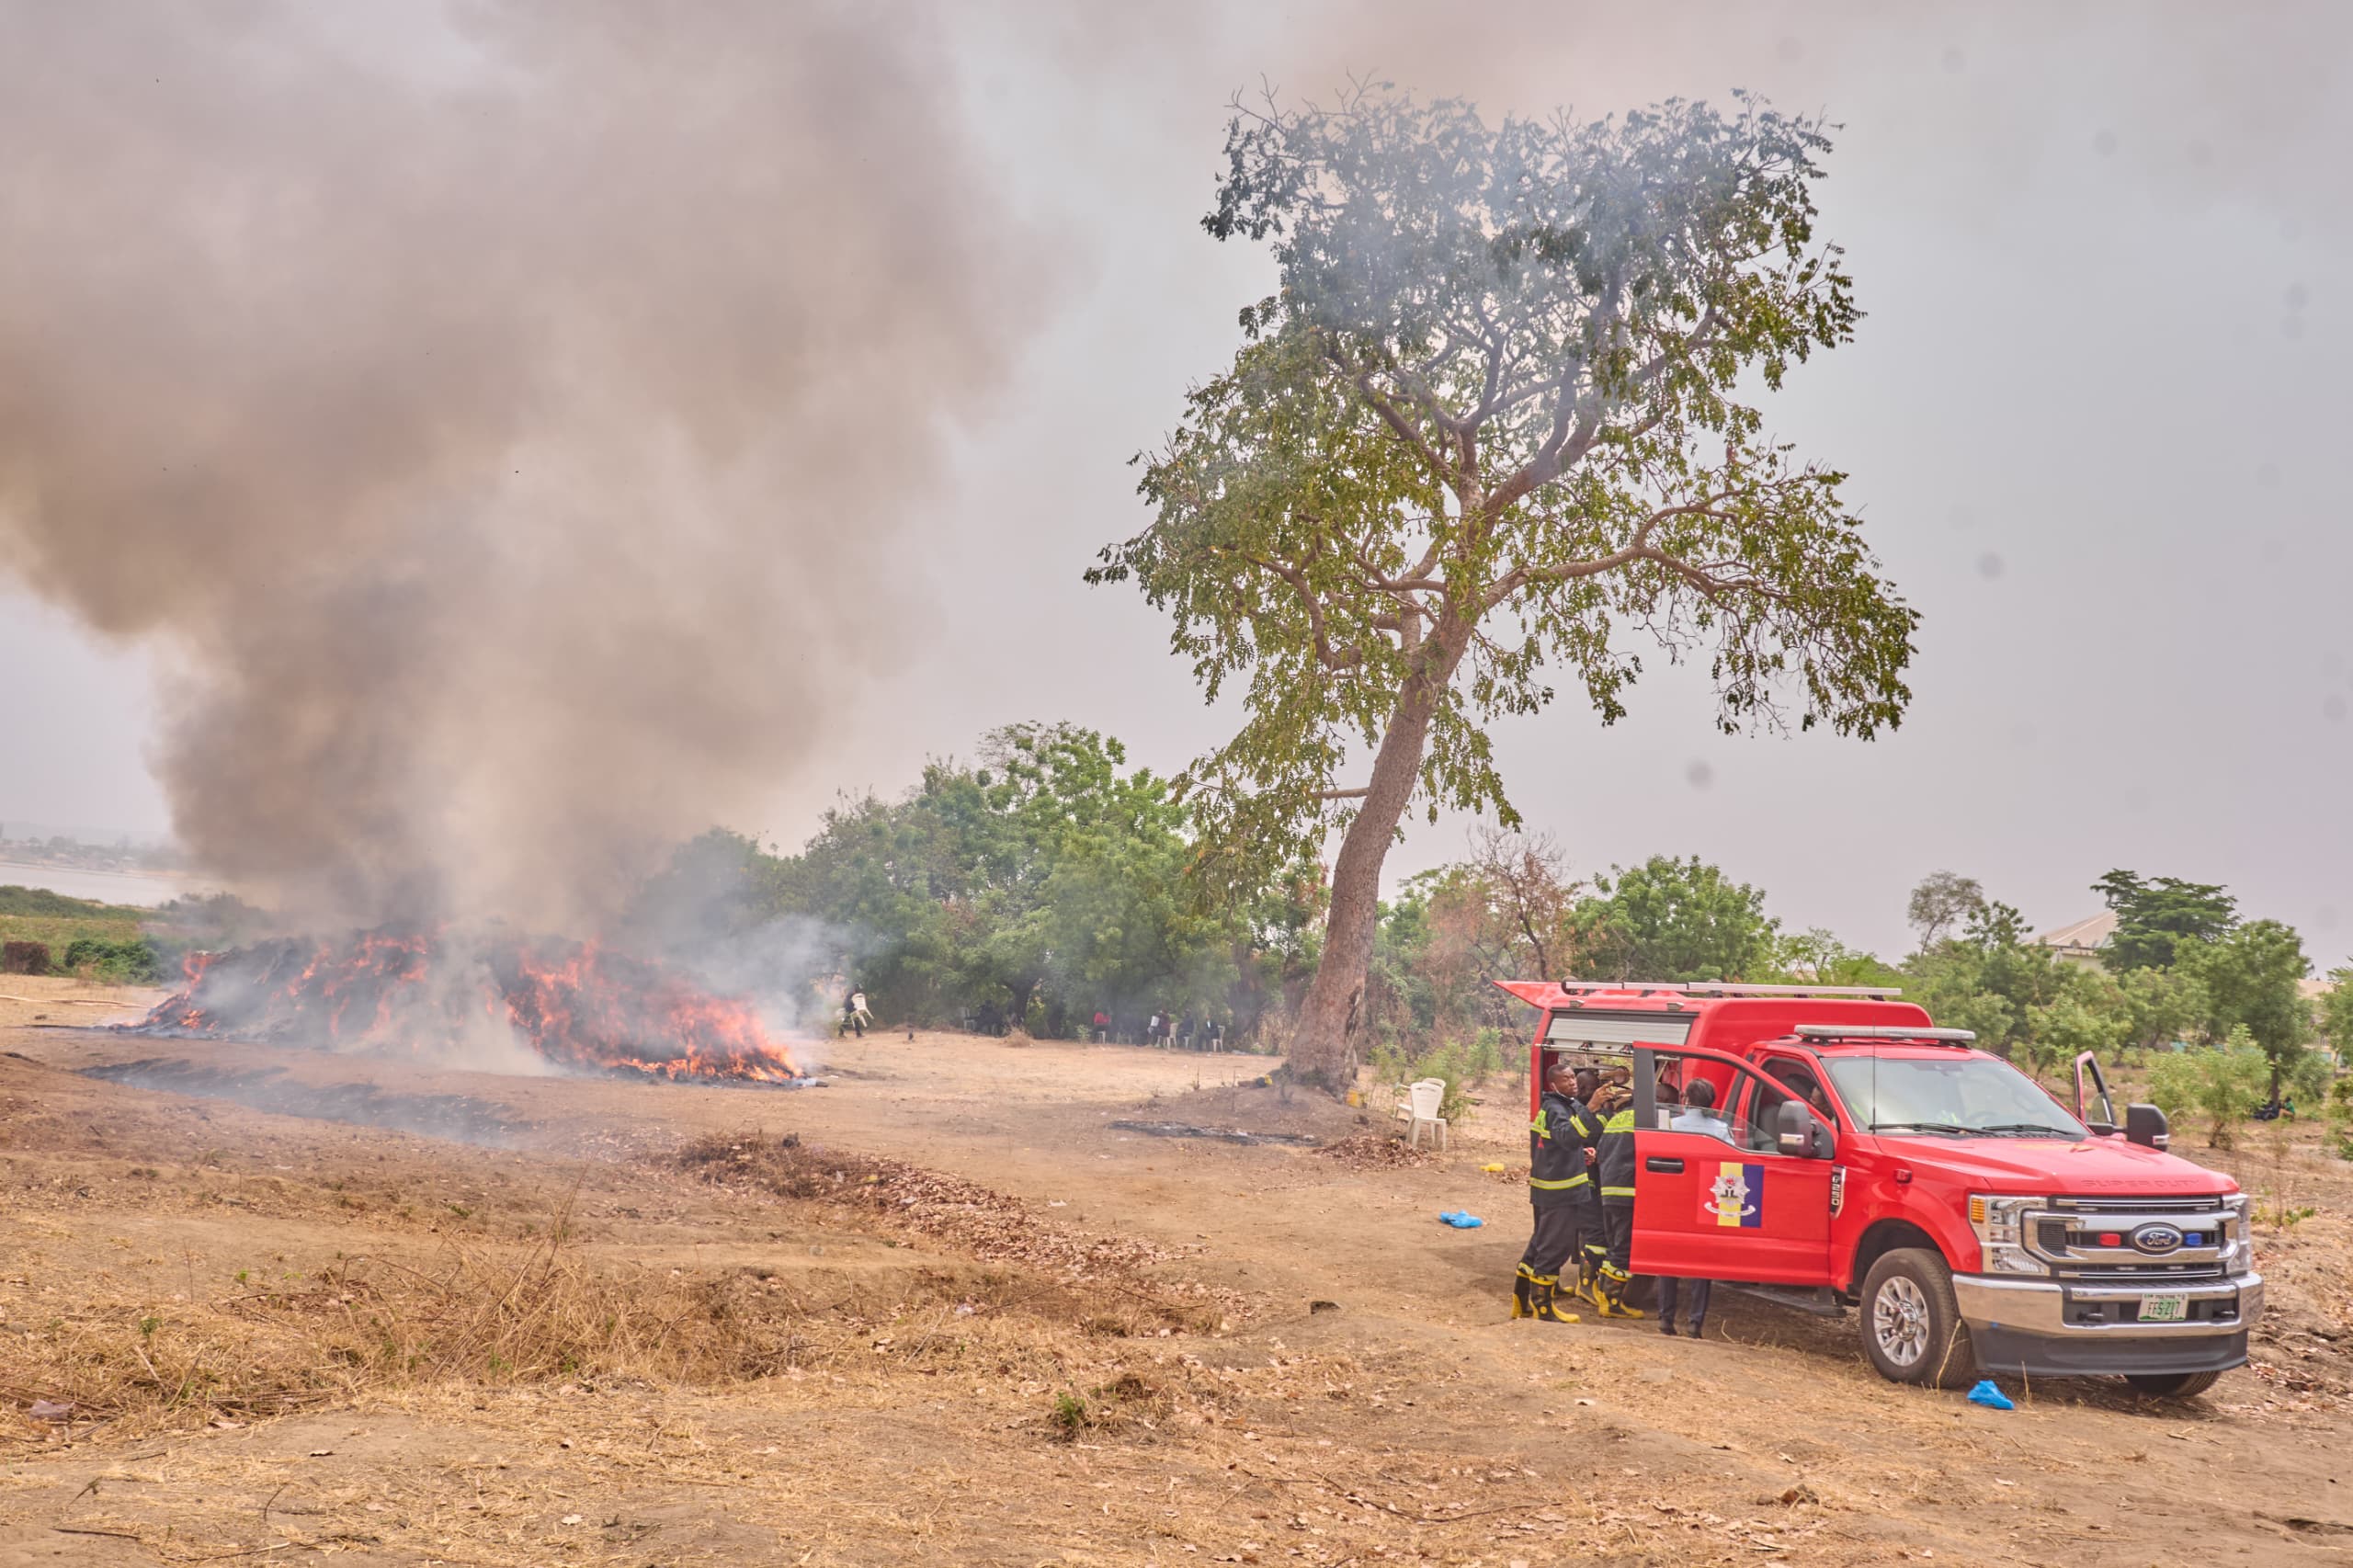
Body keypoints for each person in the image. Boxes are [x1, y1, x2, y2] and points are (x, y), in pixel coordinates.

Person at [1514, 1058, 1597, 1324]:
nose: (1572, 1082)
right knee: (1554, 1248)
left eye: (1573, 1077)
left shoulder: (1557, 1105)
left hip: (1548, 1186)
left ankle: (1521, 1299)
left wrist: (1579, 1154)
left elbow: (1555, 1145)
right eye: (1566, 1079)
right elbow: (1567, 1136)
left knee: (1539, 1243)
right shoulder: (1556, 1109)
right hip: (1560, 1192)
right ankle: (1543, 1307)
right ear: (1553, 1084)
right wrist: (1591, 1108)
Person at [1658, 1080, 1721, 1338]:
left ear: (1685, 1099)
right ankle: (1695, 1323)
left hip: (1673, 1200)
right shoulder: (1721, 1129)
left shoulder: (1672, 1125)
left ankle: (1665, 1320)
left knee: (1669, 1261)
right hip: (1705, 1201)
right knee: (1701, 1264)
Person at [1589, 1065, 1646, 1320]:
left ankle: (1605, 1297)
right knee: (1623, 1249)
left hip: (1609, 1193)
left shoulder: (1616, 1120)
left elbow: (1601, 1154)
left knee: (1613, 1247)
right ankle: (1611, 1304)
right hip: (1628, 1193)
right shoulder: (1643, 1122)